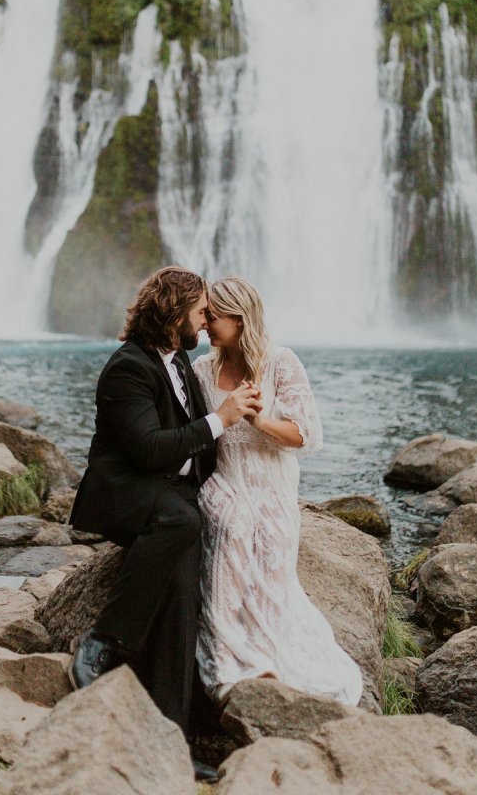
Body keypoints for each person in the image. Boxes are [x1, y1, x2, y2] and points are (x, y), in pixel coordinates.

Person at [67, 266, 261, 782]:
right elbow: (150, 451)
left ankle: (170, 739)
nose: (206, 319)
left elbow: (200, 450)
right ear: (173, 311)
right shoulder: (127, 368)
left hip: (169, 496)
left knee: (183, 588)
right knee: (181, 517)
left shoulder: (178, 362)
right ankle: (103, 640)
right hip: (125, 491)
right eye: (200, 310)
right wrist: (221, 418)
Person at [193, 276, 363, 706]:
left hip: (272, 486)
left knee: (271, 544)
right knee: (232, 528)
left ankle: (267, 658)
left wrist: (259, 420)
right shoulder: (200, 370)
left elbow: (306, 435)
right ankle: (227, 662)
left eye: (213, 316)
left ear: (239, 317)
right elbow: (196, 435)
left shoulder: (281, 362)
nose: (204, 325)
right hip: (225, 479)